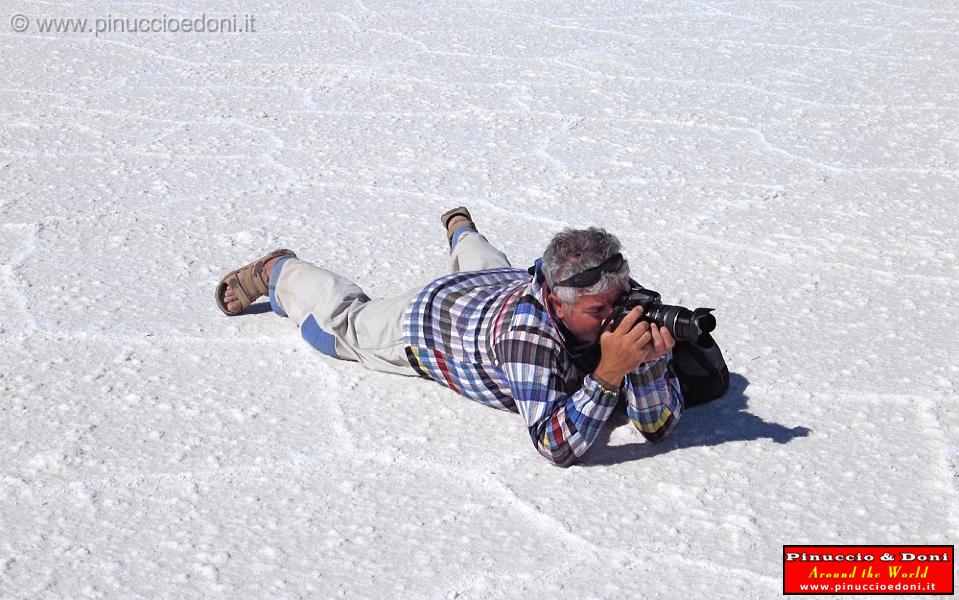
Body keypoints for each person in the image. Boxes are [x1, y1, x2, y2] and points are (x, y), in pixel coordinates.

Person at [215, 208, 683, 467]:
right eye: (597, 312)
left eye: (615, 304)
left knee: (492, 269)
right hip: (435, 319)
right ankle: (278, 272)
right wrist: (608, 374)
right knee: (342, 328)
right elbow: (555, 445)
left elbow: (656, 428)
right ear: (557, 303)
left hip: (497, 284)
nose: (612, 318)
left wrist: (650, 363)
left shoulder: (614, 295)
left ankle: (461, 229)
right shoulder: (528, 336)